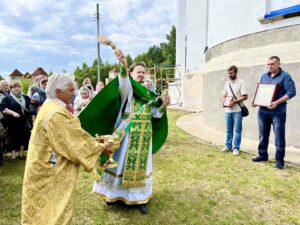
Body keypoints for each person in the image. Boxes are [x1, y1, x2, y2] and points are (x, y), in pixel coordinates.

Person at [80, 50, 170, 215]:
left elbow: (155, 114)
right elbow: (123, 82)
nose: (141, 75)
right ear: (132, 74)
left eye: (144, 72)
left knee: (140, 168)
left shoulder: (149, 93)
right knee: (119, 163)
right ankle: (112, 195)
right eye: (138, 72)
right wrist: (123, 65)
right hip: (127, 133)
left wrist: (163, 105)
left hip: (144, 135)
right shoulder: (129, 89)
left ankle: (138, 199)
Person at [21, 74, 113, 225]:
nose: (74, 92)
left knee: (41, 213)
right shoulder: (56, 113)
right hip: (50, 173)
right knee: (54, 212)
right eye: (71, 89)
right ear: (58, 92)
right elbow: (73, 143)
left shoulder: (49, 105)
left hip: (41, 167)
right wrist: (101, 148)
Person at [252, 56, 296, 169]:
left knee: (279, 137)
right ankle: (262, 155)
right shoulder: (264, 76)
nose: (269, 66)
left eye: (272, 64)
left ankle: (280, 161)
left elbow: (291, 92)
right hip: (263, 112)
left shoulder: (285, 76)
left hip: (278, 113)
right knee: (262, 135)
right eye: (268, 64)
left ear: (278, 64)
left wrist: (277, 102)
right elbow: (261, 91)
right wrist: (255, 101)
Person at [0, 81, 33, 162]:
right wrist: (12, 113)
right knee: (12, 139)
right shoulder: (7, 98)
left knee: (23, 138)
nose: (16, 88)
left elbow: (31, 108)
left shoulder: (26, 97)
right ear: (11, 89)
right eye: (14, 87)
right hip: (12, 123)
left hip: (24, 122)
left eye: (18, 87)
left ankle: (21, 155)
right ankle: (13, 156)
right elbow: (2, 108)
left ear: (20, 88)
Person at [221, 65, 248, 156]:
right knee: (229, 129)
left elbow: (245, 96)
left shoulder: (241, 82)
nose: (229, 75)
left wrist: (234, 101)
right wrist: (224, 102)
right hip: (228, 111)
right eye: (228, 73)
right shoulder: (227, 83)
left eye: (231, 73)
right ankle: (228, 146)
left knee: (237, 130)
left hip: (238, 111)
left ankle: (236, 148)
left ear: (235, 72)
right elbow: (224, 95)